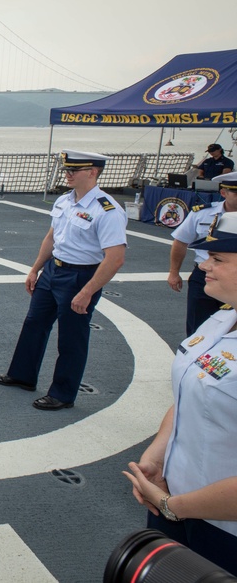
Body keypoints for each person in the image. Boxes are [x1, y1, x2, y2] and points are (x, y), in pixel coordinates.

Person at [123, 211, 237, 575]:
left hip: (222, 528)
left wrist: (177, 506)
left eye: (218, 259)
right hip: (172, 501)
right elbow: (189, 396)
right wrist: (157, 456)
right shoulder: (221, 319)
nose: (204, 265)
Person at [0, 150, 127, 410]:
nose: (68, 173)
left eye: (74, 170)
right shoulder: (64, 201)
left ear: (93, 172)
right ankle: (22, 375)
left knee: (72, 337)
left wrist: (88, 291)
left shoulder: (107, 210)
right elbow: (51, 238)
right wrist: (35, 269)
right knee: (34, 324)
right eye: (67, 169)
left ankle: (63, 393)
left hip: (81, 275)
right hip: (53, 270)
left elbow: (115, 258)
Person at [167, 172, 237, 335]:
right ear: (223, 193)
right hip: (205, 276)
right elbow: (181, 241)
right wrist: (173, 272)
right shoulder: (202, 213)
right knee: (198, 327)